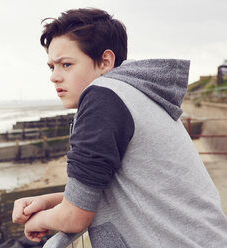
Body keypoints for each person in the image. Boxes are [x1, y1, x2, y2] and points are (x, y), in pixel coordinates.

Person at [12, 8, 227, 247]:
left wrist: (38, 221)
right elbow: (119, 194)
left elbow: (74, 217)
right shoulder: (137, 95)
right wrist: (46, 201)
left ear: (105, 61)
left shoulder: (103, 97)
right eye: (52, 67)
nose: (54, 77)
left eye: (66, 65)